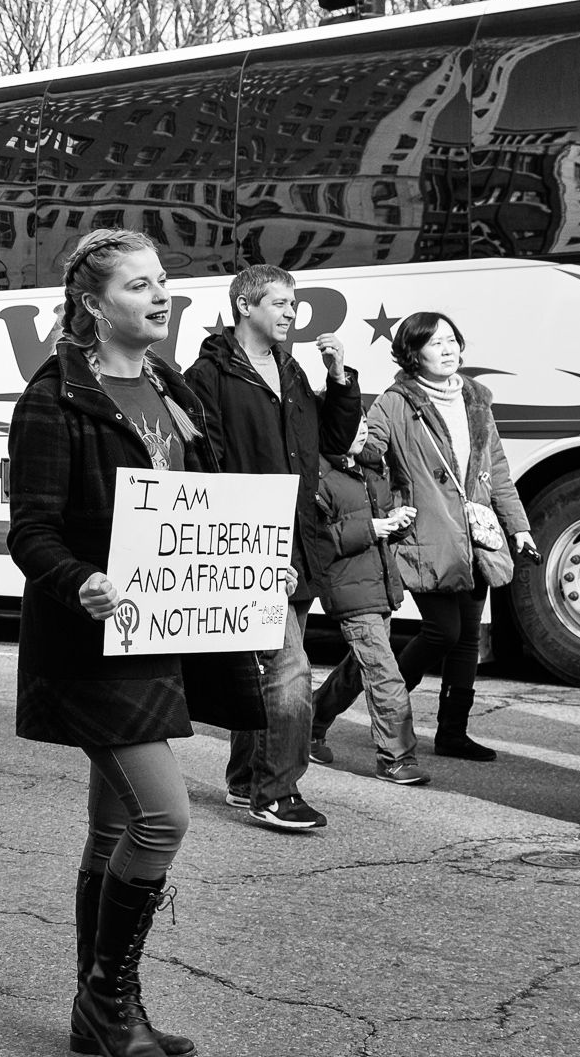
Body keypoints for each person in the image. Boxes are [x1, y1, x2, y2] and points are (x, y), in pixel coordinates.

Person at [7, 229, 267, 1057]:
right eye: (138, 285)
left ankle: (105, 1014)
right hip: (93, 641)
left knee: (110, 829)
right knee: (162, 818)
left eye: (163, 281)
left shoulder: (170, 384)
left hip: (166, 635)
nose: (160, 296)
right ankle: (107, 1003)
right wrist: (79, 578)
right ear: (92, 305)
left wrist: (253, 561)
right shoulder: (54, 398)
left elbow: (212, 498)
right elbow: (31, 531)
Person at [184, 264, 359, 833]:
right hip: (248, 544)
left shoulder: (292, 371)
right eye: (281, 303)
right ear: (245, 306)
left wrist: (339, 379)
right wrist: (253, 551)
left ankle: (244, 782)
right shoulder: (208, 375)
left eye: (294, 304)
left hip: (297, 542)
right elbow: (205, 467)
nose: (292, 313)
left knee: (260, 668)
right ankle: (277, 792)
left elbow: (331, 443)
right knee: (289, 670)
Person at [363, 311, 536, 761]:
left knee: (466, 638)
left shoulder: (476, 399)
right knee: (443, 630)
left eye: (452, 339)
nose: (448, 348)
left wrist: (518, 528)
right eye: (435, 342)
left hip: (476, 537)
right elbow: (368, 453)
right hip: (428, 535)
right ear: (413, 353)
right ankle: (387, 704)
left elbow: (495, 469)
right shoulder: (397, 401)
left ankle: (453, 733)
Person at [306, 420, 429, 783]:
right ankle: (395, 758)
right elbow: (317, 541)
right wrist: (373, 527)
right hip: (348, 589)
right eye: (352, 423)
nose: (362, 430)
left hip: (380, 586)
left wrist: (397, 521)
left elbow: (384, 522)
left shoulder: (371, 467)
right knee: (384, 672)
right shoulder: (320, 477)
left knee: (359, 670)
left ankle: (312, 721)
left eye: (362, 422)